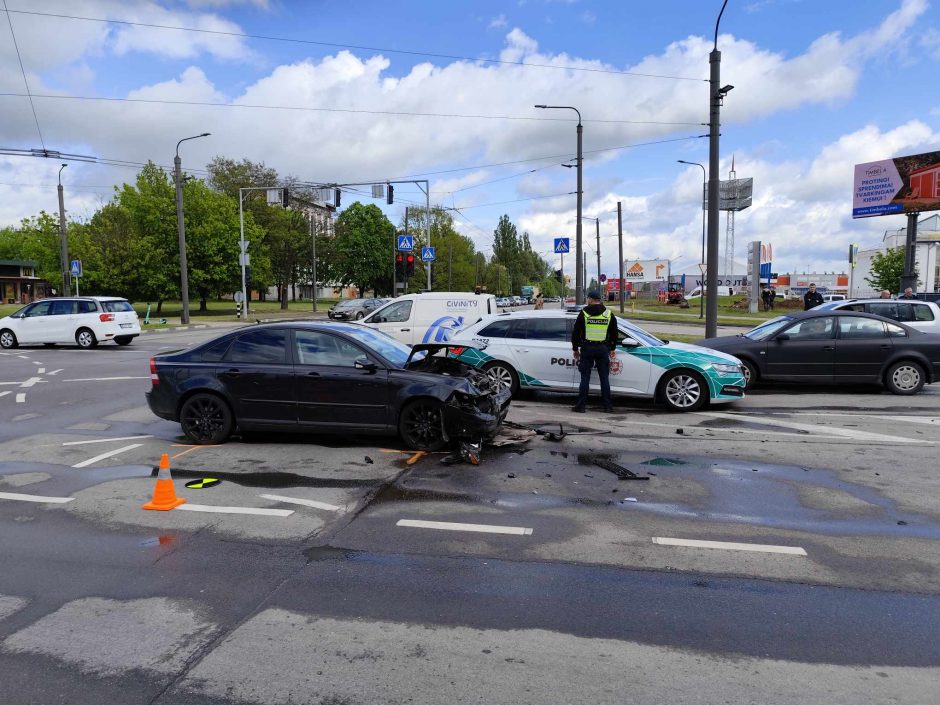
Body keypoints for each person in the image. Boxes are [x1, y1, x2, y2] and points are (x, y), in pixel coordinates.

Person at [571, 290, 618, 413]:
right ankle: (608, 406)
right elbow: (614, 333)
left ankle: (581, 406)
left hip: (587, 348)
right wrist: (612, 348)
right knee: (604, 378)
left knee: (585, 378)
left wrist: (575, 349)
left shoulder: (584, 313)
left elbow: (575, 333)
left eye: (588, 299)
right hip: (603, 349)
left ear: (591, 300)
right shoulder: (608, 314)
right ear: (600, 300)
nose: (587, 301)